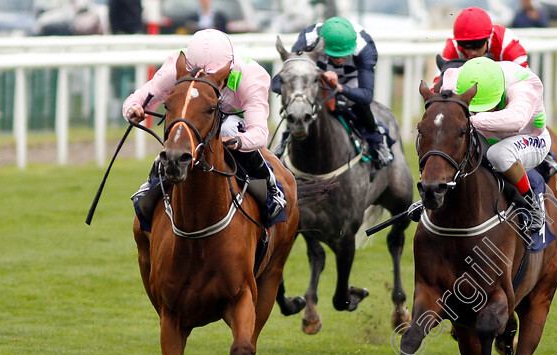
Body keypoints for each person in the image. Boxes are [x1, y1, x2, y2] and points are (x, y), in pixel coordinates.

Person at [124, 29, 286, 224]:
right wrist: (134, 109)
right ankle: (153, 181)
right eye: (197, 74)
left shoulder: (251, 77)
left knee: (227, 128)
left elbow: (259, 134)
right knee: (177, 131)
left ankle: (271, 186)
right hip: (196, 120)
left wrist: (233, 142)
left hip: (233, 124)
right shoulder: (176, 66)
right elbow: (138, 98)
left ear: (228, 68)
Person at [439, 57, 557, 234]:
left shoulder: (526, 86)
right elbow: (447, 78)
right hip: (487, 136)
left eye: (487, 106)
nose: (480, 111)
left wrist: (468, 119)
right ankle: (435, 193)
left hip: (529, 138)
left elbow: (516, 120)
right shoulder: (459, 79)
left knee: (499, 155)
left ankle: (532, 205)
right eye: (476, 107)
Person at [271, 16, 393, 169]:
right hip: (316, 77)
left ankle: (376, 140)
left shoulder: (365, 49)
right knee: (300, 105)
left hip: (351, 80)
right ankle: (286, 139)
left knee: (359, 105)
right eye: (334, 55)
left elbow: (366, 96)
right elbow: (279, 82)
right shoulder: (308, 39)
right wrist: (320, 77)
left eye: (344, 54)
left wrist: (339, 87)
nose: (340, 59)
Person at [440, 7, 529, 69]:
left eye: (477, 45)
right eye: (465, 45)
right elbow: (438, 86)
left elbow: (526, 83)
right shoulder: (453, 46)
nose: (472, 52)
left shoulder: (506, 43)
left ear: (489, 37)